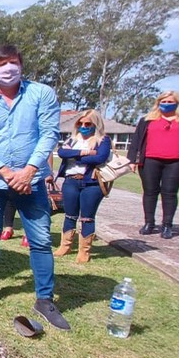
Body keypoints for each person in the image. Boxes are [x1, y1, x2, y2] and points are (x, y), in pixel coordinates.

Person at [0, 44, 69, 331]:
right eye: (1, 65)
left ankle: (45, 299)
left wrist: (29, 170)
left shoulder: (41, 94)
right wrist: (5, 172)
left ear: (21, 66)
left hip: (31, 181)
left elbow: (49, 134)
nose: (8, 69)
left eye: (13, 63)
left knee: (40, 239)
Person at [127, 90, 179, 239]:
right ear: (158, 103)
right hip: (150, 160)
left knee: (169, 193)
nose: (166, 104)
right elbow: (137, 140)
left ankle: (167, 225)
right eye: (163, 101)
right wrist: (132, 160)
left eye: (170, 102)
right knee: (150, 192)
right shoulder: (147, 120)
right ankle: (149, 223)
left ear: (177, 103)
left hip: (177, 161)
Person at [53, 109, 112, 262]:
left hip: (92, 184)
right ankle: (65, 246)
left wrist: (75, 156)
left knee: (87, 218)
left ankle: (84, 251)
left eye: (88, 124)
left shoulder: (103, 140)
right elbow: (62, 153)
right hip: (70, 181)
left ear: (96, 124)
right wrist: (86, 153)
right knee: (70, 215)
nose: (83, 126)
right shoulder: (72, 139)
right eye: (81, 123)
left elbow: (100, 157)